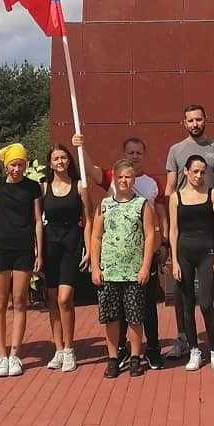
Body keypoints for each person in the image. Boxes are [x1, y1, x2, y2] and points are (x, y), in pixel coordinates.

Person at [72, 131, 168, 369]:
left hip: (143, 256)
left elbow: (160, 217)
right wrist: (80, 147)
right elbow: (91, 171)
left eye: (138, 153)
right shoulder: (110, 184)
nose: (134, 157)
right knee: (117, 312)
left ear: (143, 156)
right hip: (113, 262)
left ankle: (152, 349)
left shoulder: (152, 184)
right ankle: (121, 352)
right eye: (130, 152)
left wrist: (164, 244)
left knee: (146, 308)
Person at [164, 104, 214, 360]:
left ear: (206, 120)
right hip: (185, 226)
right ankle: (184, 338)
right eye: (190, 120)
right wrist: (169, 225)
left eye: (198, 119)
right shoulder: (176, 151)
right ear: (184, 123)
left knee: (213, 287)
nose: (195, 124)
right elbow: (170, 187)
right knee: (183, 291)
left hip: (211, 225)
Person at [0, 143, 43, 378]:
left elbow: (37, 221)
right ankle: (2, 354)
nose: (17, 169)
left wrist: (39, 252)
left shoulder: (33, 187)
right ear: (6, 166)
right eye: (13, 165)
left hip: (24, 249)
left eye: (21, 164)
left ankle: (15, 353)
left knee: (19, 301)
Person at [91, 159, 156, 378]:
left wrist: (145, 266)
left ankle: (136, 356)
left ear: (134, 179)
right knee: (111, 317)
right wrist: (95, 266)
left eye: (128, 177)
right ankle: (113, 357)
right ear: (115, 179)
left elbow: (149, 235)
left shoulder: (142, 204)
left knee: (135, 317)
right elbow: (96, 236)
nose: (124, 181)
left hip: (133, 271)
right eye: (120, 177)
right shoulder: (105, 204)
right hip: (110, 270)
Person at [170, 154, 214, 372]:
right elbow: (173, 230)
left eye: (203, 172)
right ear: (185, 171)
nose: (199, 175)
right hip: (184, 254)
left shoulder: (212, 194)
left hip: (207, 253)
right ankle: (194, 349)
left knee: (205, 303)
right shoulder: (176, 197)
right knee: (187, 304)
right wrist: (174, 260)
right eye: (195, 171)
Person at [42, 144, 91, 373]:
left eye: (63, 157)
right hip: (50, 246)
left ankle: (70, 348)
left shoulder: (80, 187)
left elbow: (88, 219)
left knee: (64, 298)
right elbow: (36, 220)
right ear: (50, 163)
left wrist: (89, 248)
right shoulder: (44, 188)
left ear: (69, 161)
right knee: (52, 299)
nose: (60, 162)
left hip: (72, 242)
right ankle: (59, 349)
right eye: (55, 158)